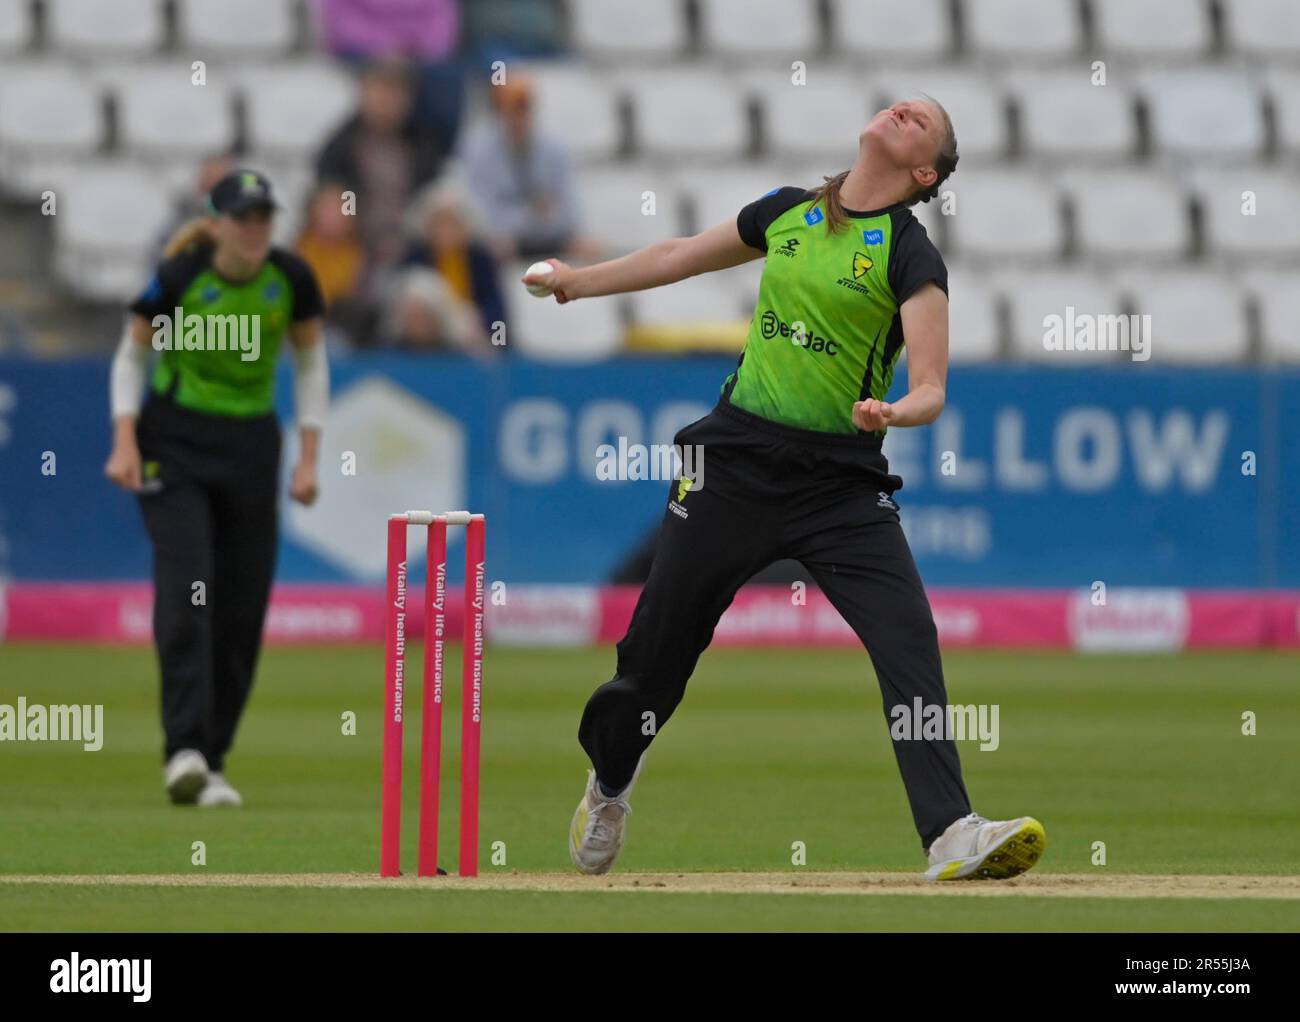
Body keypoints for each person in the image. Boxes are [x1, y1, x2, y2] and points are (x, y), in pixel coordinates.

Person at [524, 98, 1047, 882]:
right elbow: (678, 256)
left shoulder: (909, 255)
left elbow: (933, 384)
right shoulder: (788, 213)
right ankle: (609, 786)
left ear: (924, 171)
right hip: (731, 468)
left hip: (840, 486)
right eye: (900, 104)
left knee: (909, 641)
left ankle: (950, 833)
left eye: (922, 120)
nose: (903, 109)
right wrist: (576, 282)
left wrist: (896, 410)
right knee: (653, 661)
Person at [104, 169, 328, 808]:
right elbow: (132, 356)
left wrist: (309, 458)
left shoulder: (289, 278)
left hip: (252, 450)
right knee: (186, 591)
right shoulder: (181, 277)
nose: (255, 229)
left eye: (264, 217)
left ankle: (215, 759)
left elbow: (311, 363)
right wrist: (124, 441)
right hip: (171, 446)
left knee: (242, 608)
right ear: (218, 222)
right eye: (243, 217)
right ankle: (183, 750)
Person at [458, 74, 601, 262]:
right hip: (507, 240)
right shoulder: (479, 151)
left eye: (524, 108)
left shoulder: (554, 148)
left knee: (589, 248)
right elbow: (482, 214)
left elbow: (570, 211)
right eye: (511, 109)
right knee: (492, 248)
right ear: (498, 111)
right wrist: (532, 214)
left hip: (550, 235)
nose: (518, 116)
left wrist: (537, 219)